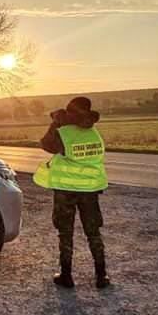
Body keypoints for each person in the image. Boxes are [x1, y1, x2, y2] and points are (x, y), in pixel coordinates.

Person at [33, 96, 111, 289]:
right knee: (93, 232)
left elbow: (46, 145)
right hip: (90, 190)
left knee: (65, 233)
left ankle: (66, 275)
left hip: (66, 190)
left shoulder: (64, 132)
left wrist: (55, 123)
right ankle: (102, 275)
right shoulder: (94, 132)